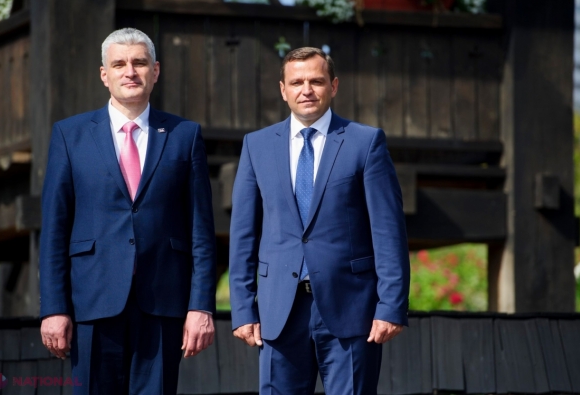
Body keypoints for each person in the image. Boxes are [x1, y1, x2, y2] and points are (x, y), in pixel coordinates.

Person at [39, 28, 217, 395]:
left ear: (156, 70)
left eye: (139, 62)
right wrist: (54, 308)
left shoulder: (185, 135)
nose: (130, 72)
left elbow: (201, 229)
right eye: (119, 64)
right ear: (104, 75)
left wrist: (201, 306)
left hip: (163, 304)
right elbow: (54, 229)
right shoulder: (70, 135)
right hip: (92, 304)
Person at [229, 47, 410, 394]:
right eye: (297, 82)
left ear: (334, 86)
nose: (306, 90)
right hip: (278, 312)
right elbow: (243, 235)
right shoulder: (257, 146)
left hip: (351, 310)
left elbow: (388, 232)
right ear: (283, 90)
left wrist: (391, 306)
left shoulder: (366, 142)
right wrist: (242, 308)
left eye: (316, 81)